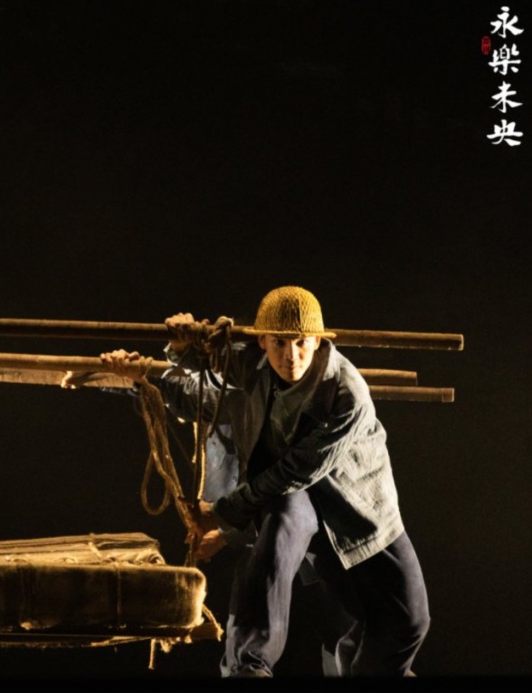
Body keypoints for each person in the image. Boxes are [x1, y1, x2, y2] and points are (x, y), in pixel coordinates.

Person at [99, 285, 429, 677]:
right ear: (262, 341)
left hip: (356, 512)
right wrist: (171, 355)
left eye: (302, 343)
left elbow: (294, 470)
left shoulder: (347, 395)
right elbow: (201, 388)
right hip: (292, 502)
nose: (291, 356)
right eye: (280, 343)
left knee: (406, 623)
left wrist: (221, 514)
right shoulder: (252, 369)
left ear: (319, 340)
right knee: (279, 526)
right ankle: (249, 666)